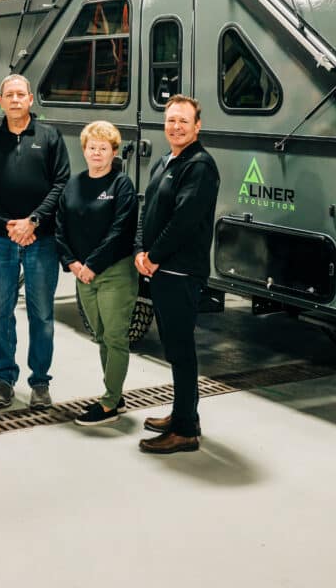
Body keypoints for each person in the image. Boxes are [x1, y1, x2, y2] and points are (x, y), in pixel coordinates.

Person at [0, 74, 70, 410]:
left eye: (20, 95)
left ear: (31, 99)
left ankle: (40, 382)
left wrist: (33, 221)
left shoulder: (50, 137)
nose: (15, 100)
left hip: (41, 239)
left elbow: (61, 183)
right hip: (1, 240)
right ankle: (4, 379)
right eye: (8, 95)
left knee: (41, 314)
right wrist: (6, 224)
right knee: (1, 313)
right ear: (0, 101)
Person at [135, 95, 219, 454]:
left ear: (197, 126)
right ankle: (183, 413)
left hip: (181, 271)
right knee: (173, 347)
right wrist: (140, 248)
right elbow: (148, 206)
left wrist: (153, 255)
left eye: (184, 121)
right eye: (171, 120)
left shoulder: (199, 166)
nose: (176, 126)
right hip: (161, 268)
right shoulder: (166, 160)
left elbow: (184, 221)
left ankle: (185, 431)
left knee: (181, 351)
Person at [56, 121, 138, 427]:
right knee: (101, 335)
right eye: (92, 148)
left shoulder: (121, 185)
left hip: (114, 273)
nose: (97, 153)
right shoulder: (73, 185)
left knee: (115, 337)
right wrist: (73, 263)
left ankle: (109, 402)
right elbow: (59, 226)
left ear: (113, 152)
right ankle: (115, 394)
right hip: (82, 274)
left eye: (104, 148)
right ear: (84, 150)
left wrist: (92, 264)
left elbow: (121, 230)